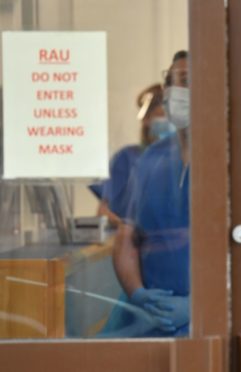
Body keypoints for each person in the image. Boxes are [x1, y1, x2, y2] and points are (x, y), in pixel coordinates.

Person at [105, 50, 190, 337]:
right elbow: (127, 238)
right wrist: (139, 294)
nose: (185, 91)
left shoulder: (236, 159)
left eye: (195, 81)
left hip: (212, 319)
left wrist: (200, 304)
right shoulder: (150, 160)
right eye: (179, 81)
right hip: (150, 317)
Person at [90, 83, 175, 227]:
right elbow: (103, 212)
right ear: (146, 120)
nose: (168, 122)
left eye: (172, 117)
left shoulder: (183, 160)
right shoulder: (127, 158)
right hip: (133, 242)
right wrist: (128, 230)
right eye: (161, 116)